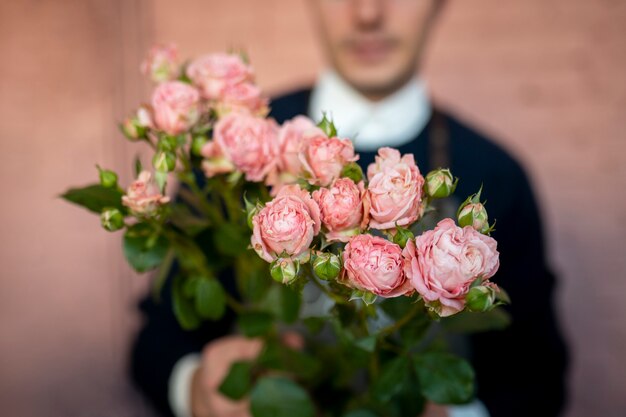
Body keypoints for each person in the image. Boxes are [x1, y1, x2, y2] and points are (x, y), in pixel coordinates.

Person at [131, 1, 569, 416]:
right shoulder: (237, 151)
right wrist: (193, 389)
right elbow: (155, 342)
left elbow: (538, 377)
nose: (367, 13)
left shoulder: (496, 174)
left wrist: (461, 413)